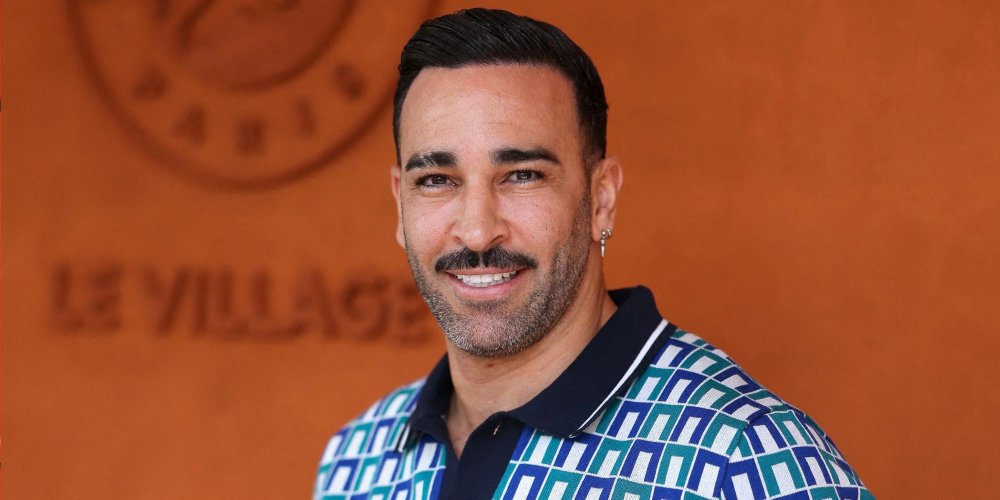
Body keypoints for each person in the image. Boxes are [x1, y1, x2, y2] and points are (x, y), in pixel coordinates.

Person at [314, 8, 870, 499]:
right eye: (436, 180)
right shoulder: (357, 461)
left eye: (523, 175)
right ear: (400, 204)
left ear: (601, 199)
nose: (477, 232)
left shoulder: (746, 460)